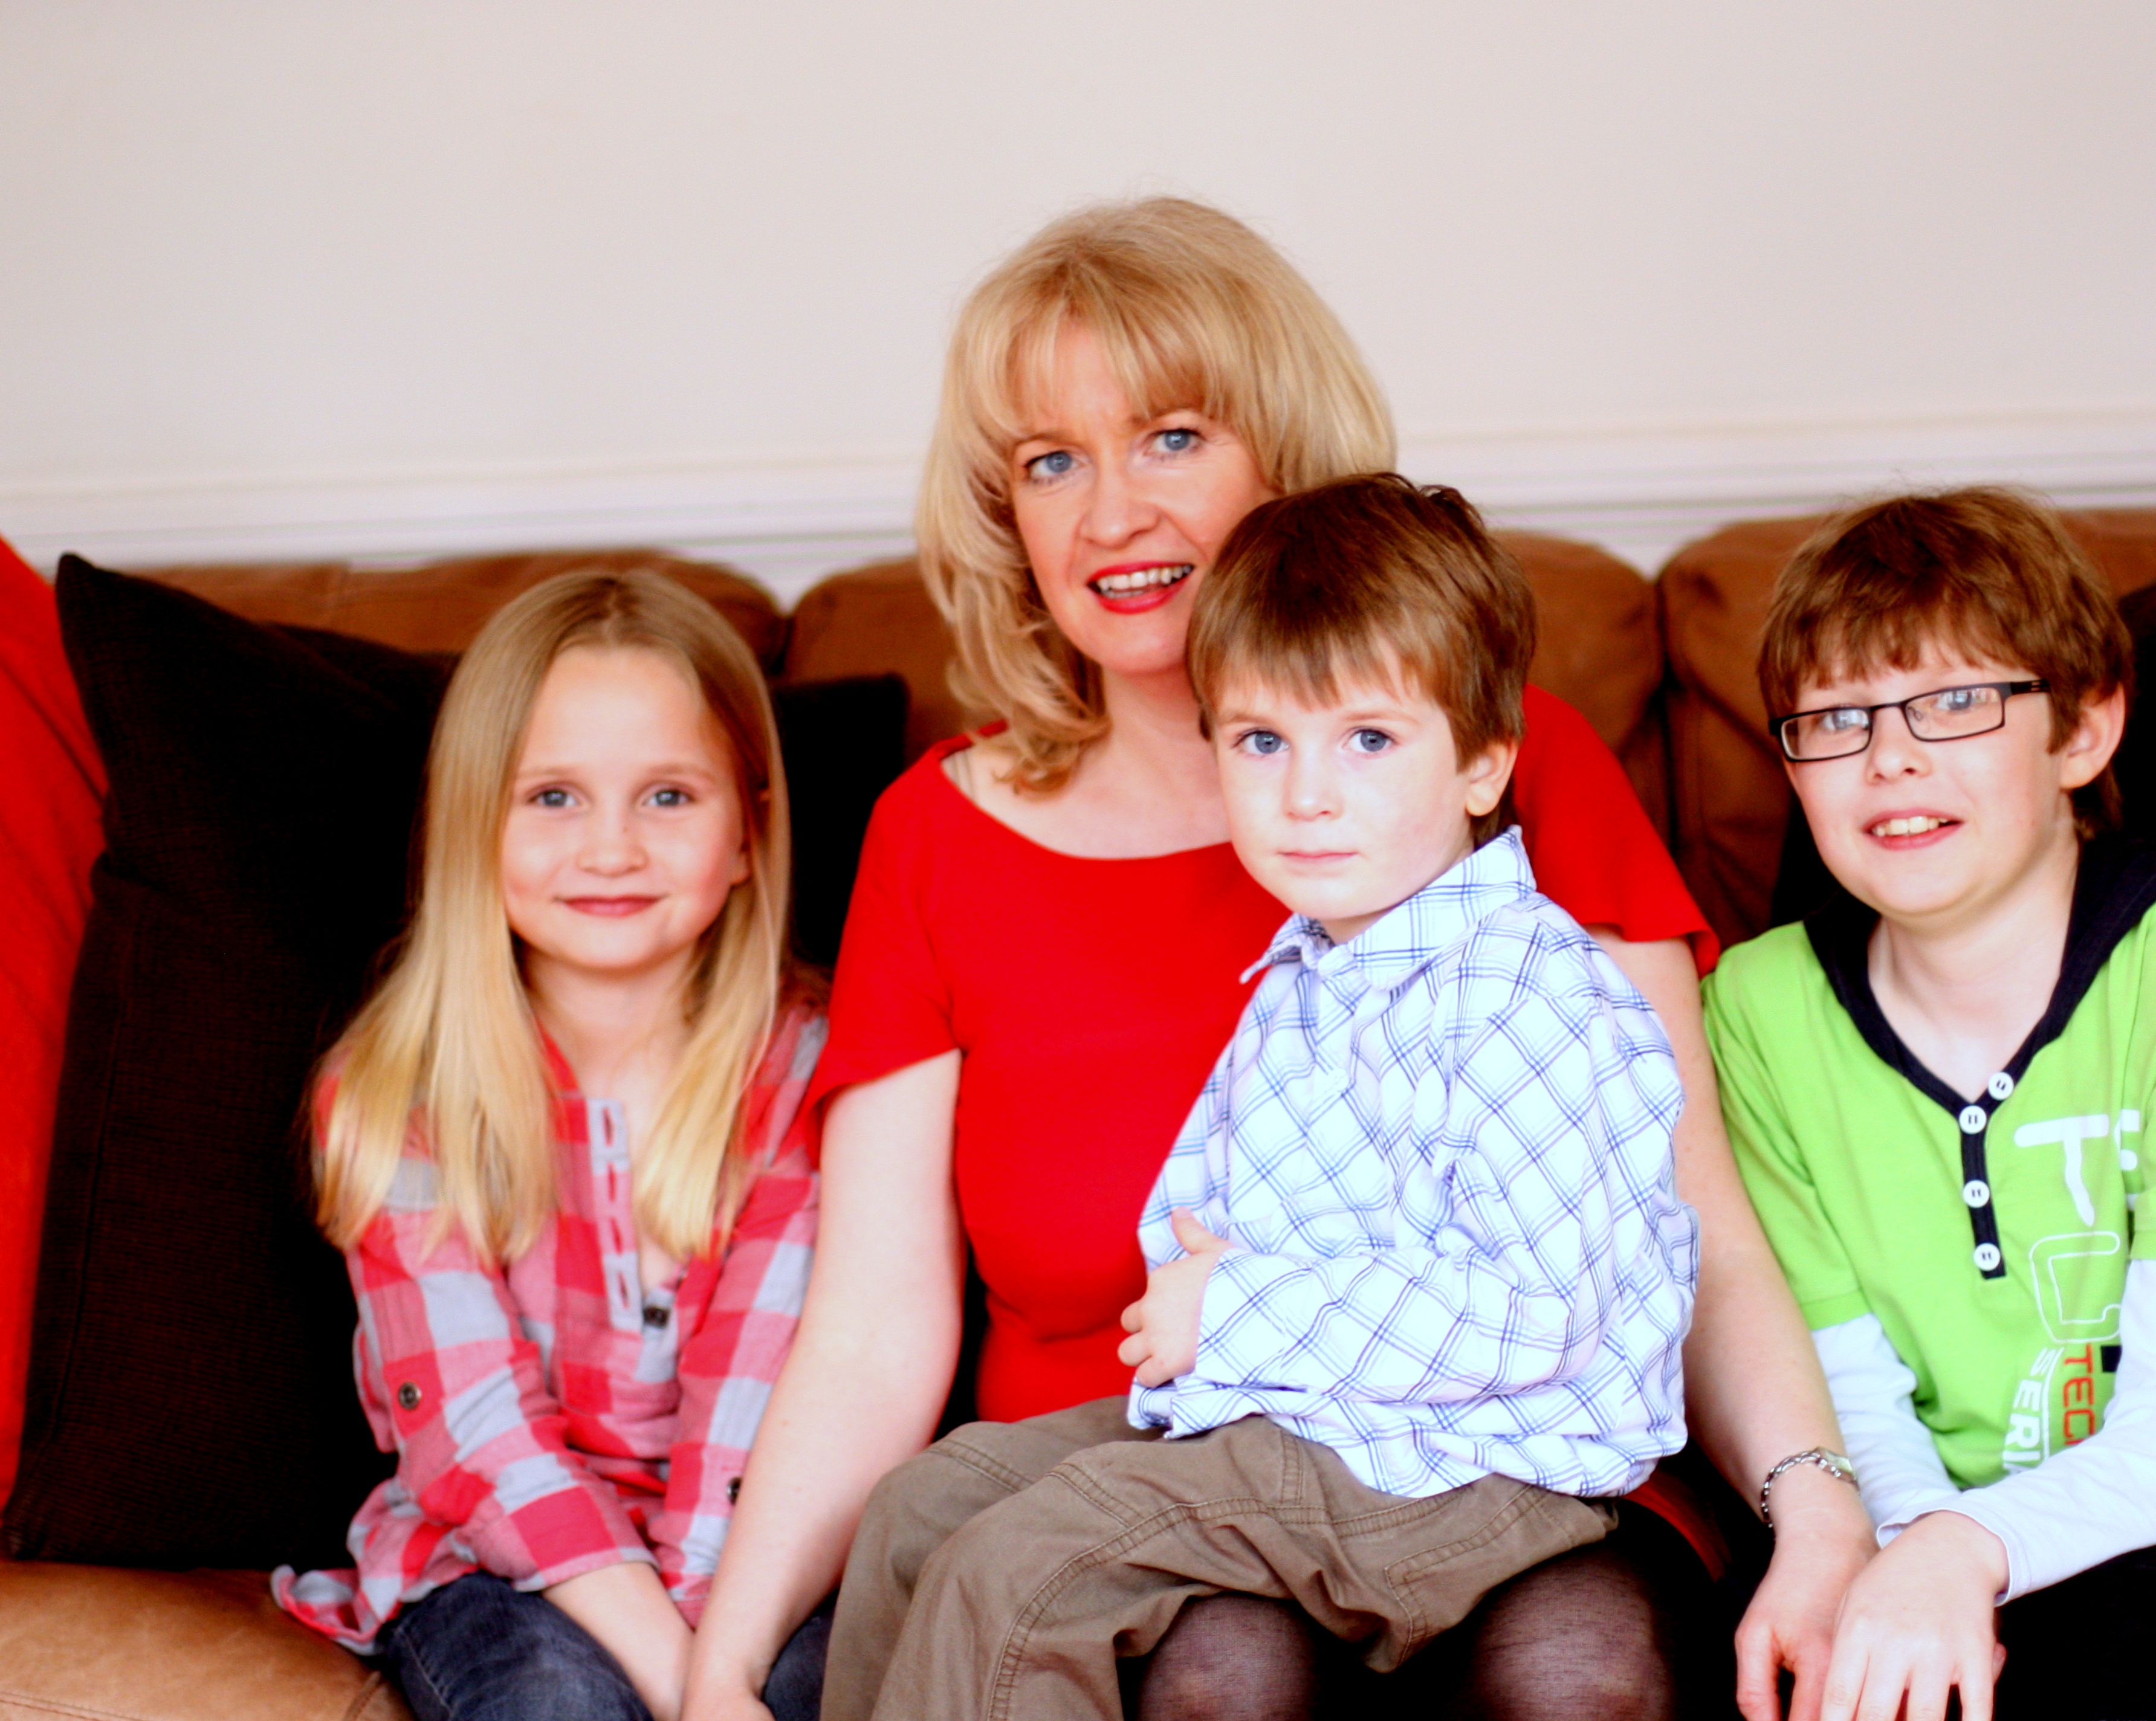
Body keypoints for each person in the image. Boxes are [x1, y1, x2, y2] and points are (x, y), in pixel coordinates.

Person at [684, 198, 1876, 1721]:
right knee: (1203, 1656)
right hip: (1139, 1462)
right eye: (1053, 460)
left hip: (1486, 1451)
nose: (1110, 511)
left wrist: (1818, 1501)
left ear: (1284, 460)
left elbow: (1683, 1207)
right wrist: (724, 1663)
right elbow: (868, 1329)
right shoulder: (934, 835)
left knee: (1577, 1655)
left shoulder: (1498, 770)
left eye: (1171, 437)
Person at [829, 474, 1703, 1721]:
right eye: (1260, 740)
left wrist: (1236, 1304)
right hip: (1315, 1419)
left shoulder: (1525, 991)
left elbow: (1538, 1315)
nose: (1306, 793)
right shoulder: (1317, 963)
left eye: (1367, 739)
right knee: (929, 1503)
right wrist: (1213, 1297)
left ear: (1481, 762)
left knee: (1024, 1570)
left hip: (1476, 1466)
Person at [1704, 489, 2156, 1721]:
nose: (1890, 756)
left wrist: (1962, 1553)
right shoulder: (1756, 1009)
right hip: (1914, 1517)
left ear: (2083, 730)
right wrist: (1912, 1559)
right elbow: (1842, 1385)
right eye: (1836, 717)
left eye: (1957, 702)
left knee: (2097, 1673)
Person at [274, 571, 834, 1721]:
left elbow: (763, 1412)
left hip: (758, 1553)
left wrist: (725, 1664)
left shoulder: (816, 1074)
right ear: (471, 823)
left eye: (670, 797)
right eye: (555, 798)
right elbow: (479, 1436)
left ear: (748, 833)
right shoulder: (397, 1095)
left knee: (819, 1679)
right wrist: (692, 1689)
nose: (613, 848)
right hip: (490, 1559)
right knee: (553, 1699)